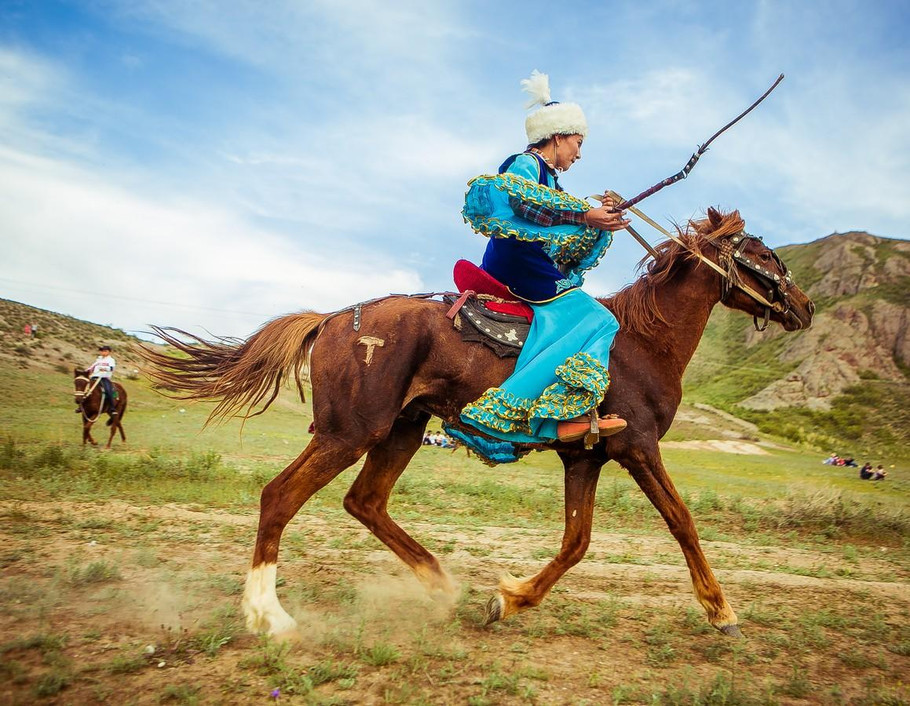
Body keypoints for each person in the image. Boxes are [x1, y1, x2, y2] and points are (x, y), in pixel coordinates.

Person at [446, 70, 630, 463]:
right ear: (559, 135)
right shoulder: (525, 164)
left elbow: (562, 223)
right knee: (602, 320)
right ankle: (532, 410)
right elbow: (526, 206)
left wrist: (602, 221)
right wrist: (587, 216)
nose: (578, 154)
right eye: (578, 143)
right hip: (518, 266)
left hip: (530, 266)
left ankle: (562, 409)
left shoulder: (553, 182)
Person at [83, 345, 118, 416]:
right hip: (94, 377)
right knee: (84, 389)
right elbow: (92, 367)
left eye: (105, 351)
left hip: (104, 378)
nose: (103, 352)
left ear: (109, 352)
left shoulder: (111, 360)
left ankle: (112, 408)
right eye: (102, 351)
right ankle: (82, 406)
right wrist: (86, 371)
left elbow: (112, 369)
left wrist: (104, 368)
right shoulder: (98, 359)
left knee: (108, 391)